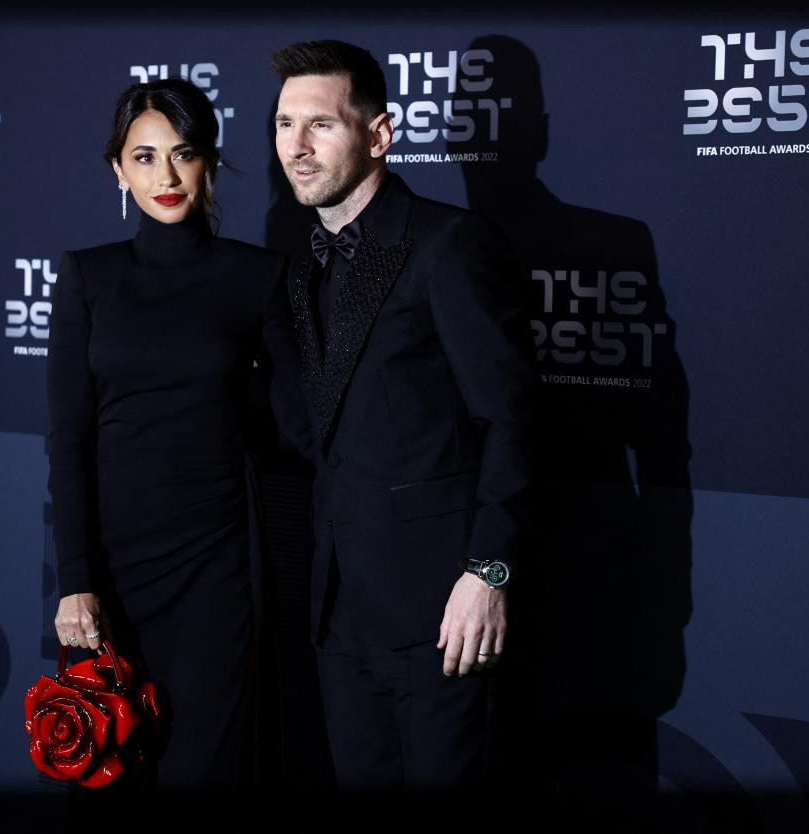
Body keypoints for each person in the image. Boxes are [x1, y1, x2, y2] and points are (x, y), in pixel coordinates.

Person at [269, 39, 537, 794]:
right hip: (339, 613)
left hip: (442, 616)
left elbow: (512, 421)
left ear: (379, 134)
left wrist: (488, 571)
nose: (296, 147)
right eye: (285, 125)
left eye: (319, 125)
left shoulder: (448, 246)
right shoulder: (299, 266)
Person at [46, 77, 309, 793]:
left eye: (183, 154)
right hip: (112, 569)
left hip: (216, 565)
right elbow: (68, 439)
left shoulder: (256, 277)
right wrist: (76, 581)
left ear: (210, 165)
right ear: (118, 172)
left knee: (205, 770)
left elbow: (295, 427)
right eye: (144, 157)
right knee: (112, 770)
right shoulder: (89, 277)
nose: (165, 176)